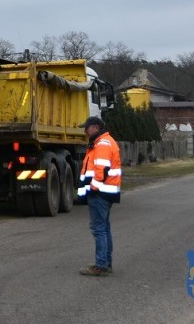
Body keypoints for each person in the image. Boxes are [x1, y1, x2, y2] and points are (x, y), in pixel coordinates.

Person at [76, 115, 122, 277]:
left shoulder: (102, 144)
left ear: (95, 127)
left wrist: (92, 189)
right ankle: (105, 262)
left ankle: (101, 265)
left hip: (100, 193)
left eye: (86, 127)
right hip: (107, 191)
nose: (85, 131)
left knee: (99, 229)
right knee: (104, 227)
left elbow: (100, 170)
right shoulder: (105, 142)